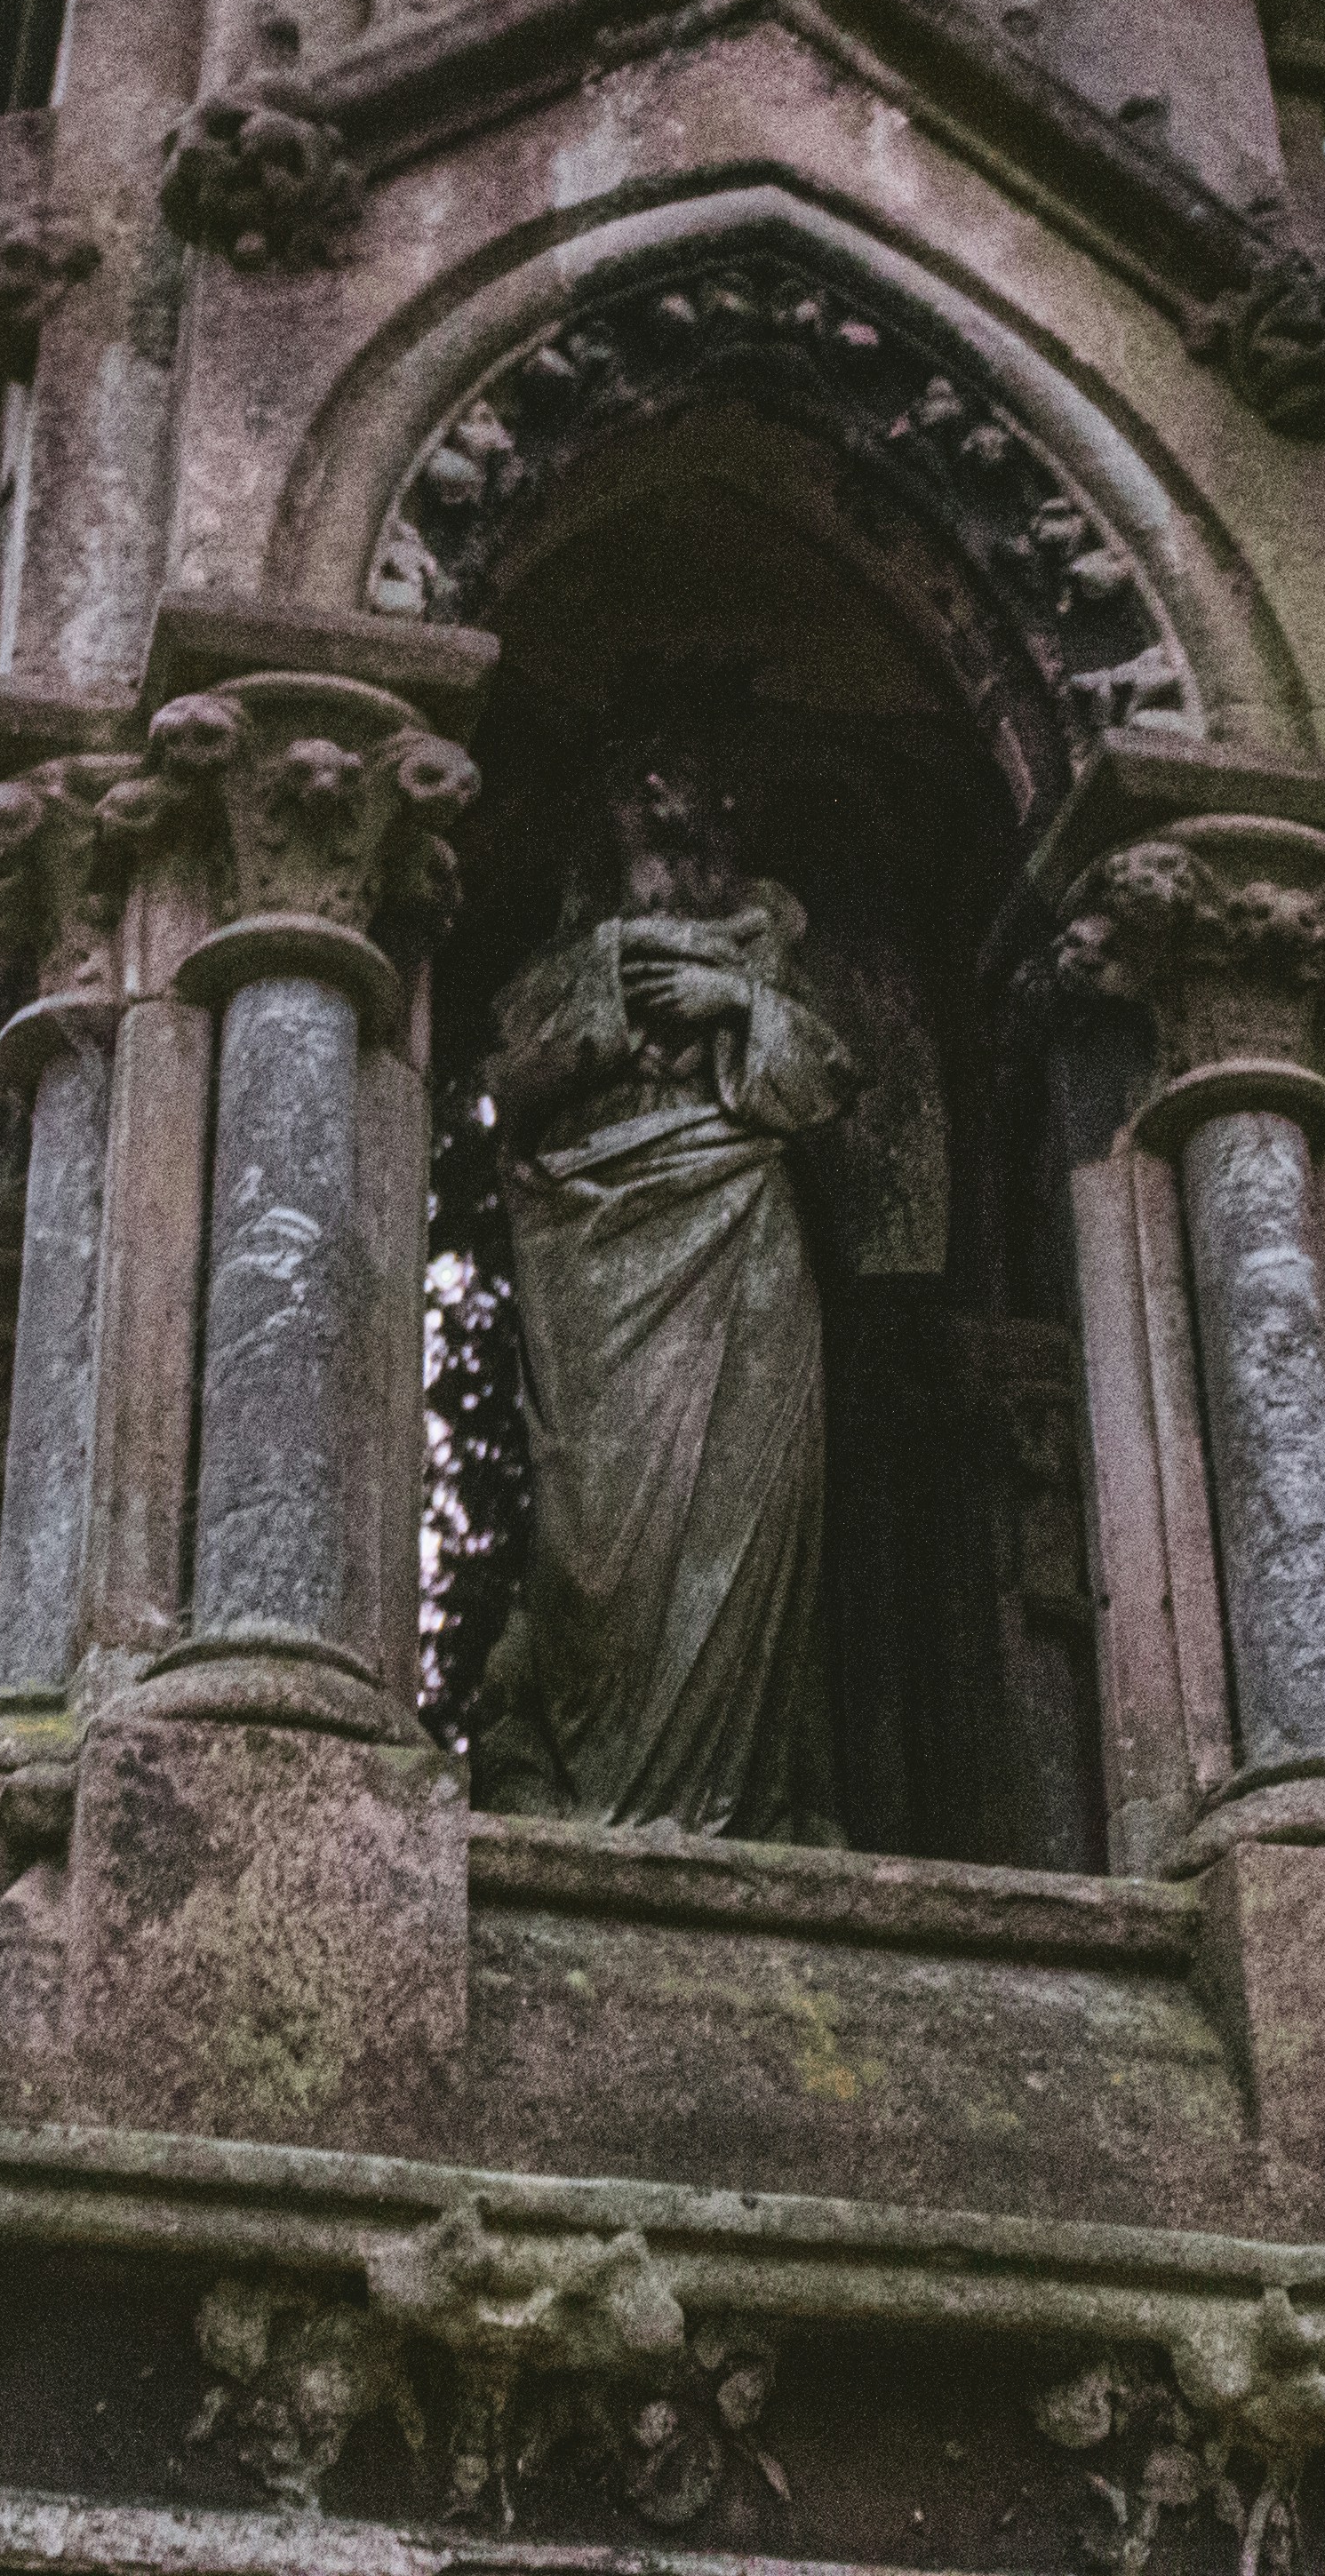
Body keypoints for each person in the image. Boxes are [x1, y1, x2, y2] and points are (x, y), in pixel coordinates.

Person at [469, 732, 855, 1840]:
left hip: (746, 1241)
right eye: (635, 798)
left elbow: (841, 1083)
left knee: (746, 1522)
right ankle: (587, 1787)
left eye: (688, 797)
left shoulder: (783, 952)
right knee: (594, 1535)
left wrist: (734, 1003)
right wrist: (610, 1006)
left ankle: (745, 1806)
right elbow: (509, 1086)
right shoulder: (561, 964)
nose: (665, 814)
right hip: (594, 1251)